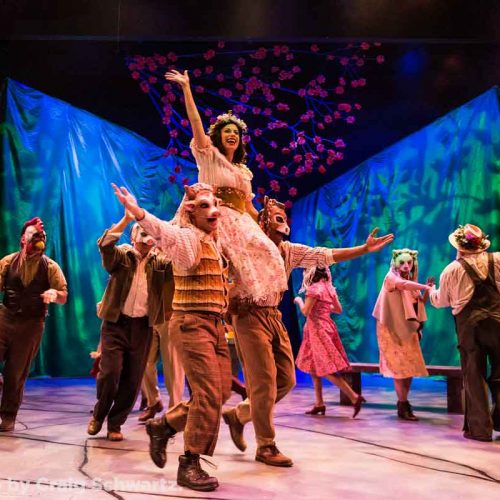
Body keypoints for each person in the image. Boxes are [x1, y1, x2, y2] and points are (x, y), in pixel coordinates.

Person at [222, 196, 394, 466]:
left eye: (284, 220)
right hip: (248, 315)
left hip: (273, 315)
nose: (283, 227)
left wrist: (363, 249)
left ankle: (239, 415)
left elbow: (324, 255)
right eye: (277, 219)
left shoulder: (288, 251)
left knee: (286, 380)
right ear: (263, 223)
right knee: (263, 382)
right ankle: (266, 446)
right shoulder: (248, 246)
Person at [113, 182, 232, 493]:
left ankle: (163, 425)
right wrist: (138, 212)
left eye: (215, 205)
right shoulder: (186, 237)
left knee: (220, 392)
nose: (213, 211)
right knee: (207, 393)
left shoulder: (214, 240)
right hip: (192, 322)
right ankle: (189, 462)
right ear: (190, 211)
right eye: (204, 206)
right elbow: (163, 231)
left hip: (215, 324)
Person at [164, 69, 288, 305]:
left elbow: (248, 206)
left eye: (236, 132)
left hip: (241, 221)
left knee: (269, 253)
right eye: (227, 131)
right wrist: (187, 89)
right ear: (218, 136)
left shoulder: (244, 171)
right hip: (215, 218)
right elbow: (195, 122)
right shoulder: (208, 156)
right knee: (217, 264)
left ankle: (243, 307)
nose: (232, 134)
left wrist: (264, 221)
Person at [87, 211, 173, 441]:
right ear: (133, 237)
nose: (146, 239)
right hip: (116, 324)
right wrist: (126, 220)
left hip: (143, 327)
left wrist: (164, 237)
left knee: (132, 380)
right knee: (110, 373)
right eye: (142, 234)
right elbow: (105, 245)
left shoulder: (159, 263)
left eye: (149, 235)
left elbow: (177, 264)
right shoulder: (122, 256)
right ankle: (99, 414)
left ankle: (115, 424)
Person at [430, 223, 500, 442]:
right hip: (498, 322)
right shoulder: (497, 259)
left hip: (470, 327)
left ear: (459, 247)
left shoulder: (452, 269)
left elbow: (441, 301)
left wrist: (431, 292)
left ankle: (480, 429)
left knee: (473, 375)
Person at [0, 217, 67, 432]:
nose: (39, 238)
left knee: (15, 373)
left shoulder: (50, 267)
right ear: (23, 239)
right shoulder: (8, 262)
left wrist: (54, 293)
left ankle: (8, 416)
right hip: (5, 318)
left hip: (31, 325)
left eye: (42, 236)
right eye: (34, 234)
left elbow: (64, 295)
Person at [294, 266, 365, 416]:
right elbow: (338, 309)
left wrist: (299, 301)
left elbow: (305, 311)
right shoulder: (329, 288)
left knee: (325, 369)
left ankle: (353, 396)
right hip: (324, 327)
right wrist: (324, 308)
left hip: (318, 330)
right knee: (314, 367)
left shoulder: (313, 289)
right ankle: (319, 403)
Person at [372, 248, 433, 421]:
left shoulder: (411, 283)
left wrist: (427, 290)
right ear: (396, 263)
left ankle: (404, 402)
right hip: (392, 328)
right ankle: (403, 404)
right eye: (402, 263)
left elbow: (419, 303)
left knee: (409, 366)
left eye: (409, 263)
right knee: (399, 367)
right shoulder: (391, 278)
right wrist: (424, 286)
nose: (406, 266)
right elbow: (403, 285)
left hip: (408, 328)